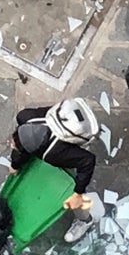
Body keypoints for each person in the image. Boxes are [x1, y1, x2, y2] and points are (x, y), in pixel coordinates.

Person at [9, 98, 101, 243]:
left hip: (75, 132)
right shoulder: (26, 117)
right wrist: (15, 163)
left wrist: (78, 192)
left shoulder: (53, 154)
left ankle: (85, 220)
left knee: (74, 198)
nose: (11, 143)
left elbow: (88, 160)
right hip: (72, 115)